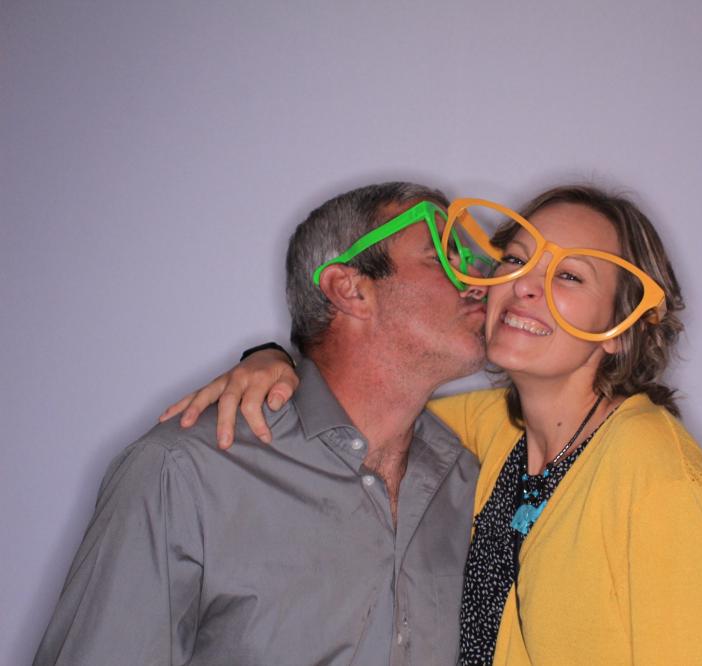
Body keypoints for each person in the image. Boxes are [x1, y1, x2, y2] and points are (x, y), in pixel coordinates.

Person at [166, 185, 702, 664]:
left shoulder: (661, 480)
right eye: (516, 259)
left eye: (570, 276)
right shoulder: (490, 431)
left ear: (622, 329)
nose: (526, 285)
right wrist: (271, 362)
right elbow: (355, 405)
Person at [34, 182, 487, 666]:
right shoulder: (185, 474)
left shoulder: (472, 479)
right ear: (350, 289)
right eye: (441, 257)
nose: (478, 282)